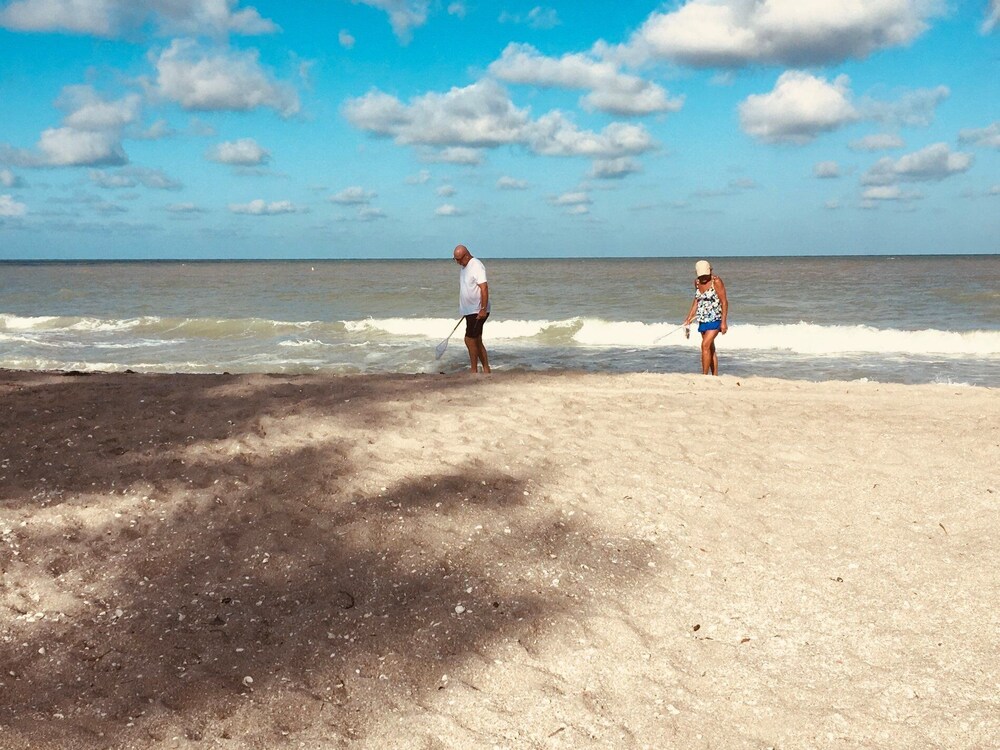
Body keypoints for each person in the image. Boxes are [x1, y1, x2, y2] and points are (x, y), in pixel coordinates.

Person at [682, 259, 728, 376]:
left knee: (704, 346)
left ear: (710, 271)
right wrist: (689, 318)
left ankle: (704, 375)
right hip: (702, 319)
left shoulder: (716, 281)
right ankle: (715, 376)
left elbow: (724, 302)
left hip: (715, 318)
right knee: (710, 348)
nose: (703, 278)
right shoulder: (697, 282)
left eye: (705, 275)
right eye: (701, 276)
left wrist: (723, 322)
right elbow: (697, 300)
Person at [453, 244, 491, 373]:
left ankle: (474, 370)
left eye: (458, 259)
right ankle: (486, 369)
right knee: (477, 340)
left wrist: (483, 309)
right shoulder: (464, 268)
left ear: (466, 255)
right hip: (470, 311)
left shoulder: (476, 265)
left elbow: (484, 288)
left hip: (478, 310)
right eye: (455, 259)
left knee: (469, 339)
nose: (457, 262)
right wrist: (465, 310)